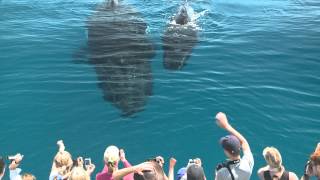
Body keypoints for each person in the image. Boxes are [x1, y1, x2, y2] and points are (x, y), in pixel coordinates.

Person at [214, 112, 254, 180]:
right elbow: (244, 142)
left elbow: (244, 142)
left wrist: (216, 173)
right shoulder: (248, 163)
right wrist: (226, 126)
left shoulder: (222, 172)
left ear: (227, 152)